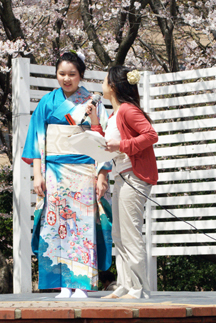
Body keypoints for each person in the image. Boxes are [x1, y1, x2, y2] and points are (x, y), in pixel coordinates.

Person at [22, 51, 113, 299]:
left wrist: (102, 174)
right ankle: (62, 284)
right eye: (62, 74)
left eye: (72, 74)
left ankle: (82, 284)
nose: (66, 78)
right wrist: (37, 174)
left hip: (83, 170)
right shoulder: (47, 102)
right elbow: (36, 140)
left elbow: (102, 136)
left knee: (82, 226)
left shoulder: (92, 101)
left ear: (81, 75)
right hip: (53, 170)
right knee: (54, 225)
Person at [86, 66, 158, 299]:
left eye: (105, 80)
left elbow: (150, 135)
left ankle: (140, 289)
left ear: (113, 86)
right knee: (119, 235)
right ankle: (126, 286)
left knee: (130, 233)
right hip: (122, 177)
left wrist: (123, 146)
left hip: (134, 177)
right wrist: (94, 120)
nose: (102, 85)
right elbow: (105, 144)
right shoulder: (116, 115)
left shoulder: (128, 110)